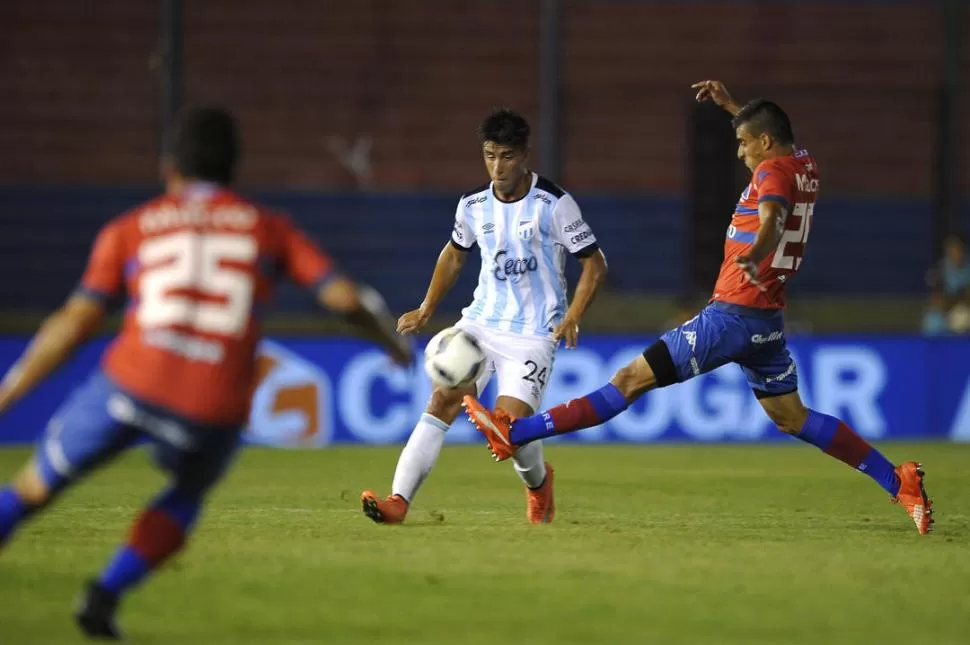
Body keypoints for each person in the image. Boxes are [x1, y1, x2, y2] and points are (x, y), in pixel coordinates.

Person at [0, 106, 412, 639]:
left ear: (168, 167)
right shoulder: (270, 228)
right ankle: (103, 597)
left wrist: (9, 392)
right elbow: (343, 298)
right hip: (210, 402)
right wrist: (389, 344)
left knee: (37, 485)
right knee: (184, 496)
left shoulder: (130, 229)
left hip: (131, 381)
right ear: (233, 170)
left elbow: (76, 321)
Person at [463, 81, 934, 536]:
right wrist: (733, 107)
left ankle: (518, 432)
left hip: (731, 314)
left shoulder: (770, 174)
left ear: (765, 142)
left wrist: (755, 251)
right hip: (765, 320)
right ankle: (898, 480)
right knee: (792, 417)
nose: (740, 152)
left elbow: (770, 215)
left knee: (627, 382)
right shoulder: (802, 162)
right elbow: (770, 139)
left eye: (745, 143)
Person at [361, 108, 608, 525]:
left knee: (511, 429)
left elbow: (595, 263)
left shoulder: (554, 204)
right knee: (442, 398)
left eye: (506, 156)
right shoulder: (473, 205)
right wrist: (426, 308)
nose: (497, 166)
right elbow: (455, 254)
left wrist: (572, 315)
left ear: (525, 154)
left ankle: (539, 485)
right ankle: (398, 502)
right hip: (480, 323)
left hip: (534, 333)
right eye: (490, 155)